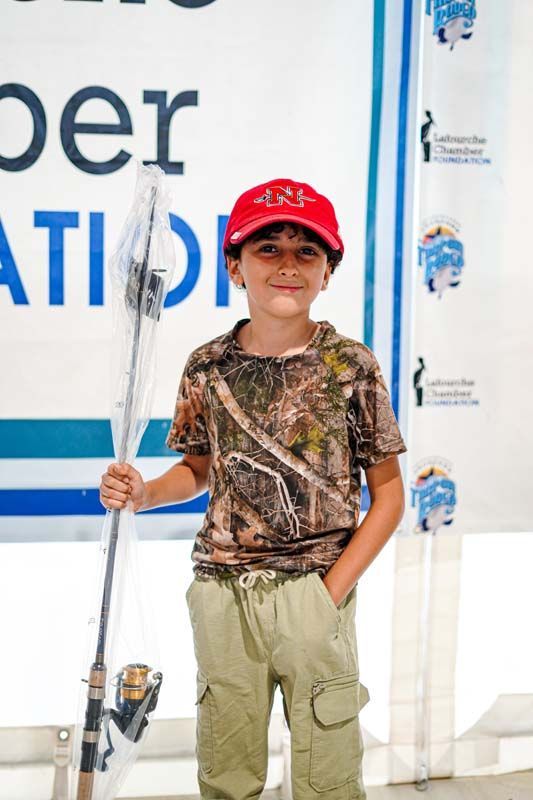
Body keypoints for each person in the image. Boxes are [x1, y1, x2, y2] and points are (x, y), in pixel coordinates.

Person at [99, 178, 407, 800]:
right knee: (227, 774)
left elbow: (391, 495)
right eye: (269, 249)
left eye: (307, 252)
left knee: (328, 778)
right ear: (235, 267)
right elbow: (198, 470)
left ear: (329, 271)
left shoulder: (351, 365)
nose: (288, 266)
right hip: (222, 595)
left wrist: (329, 593)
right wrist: (142, 492)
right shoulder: (207, 366)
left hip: (316, 592)